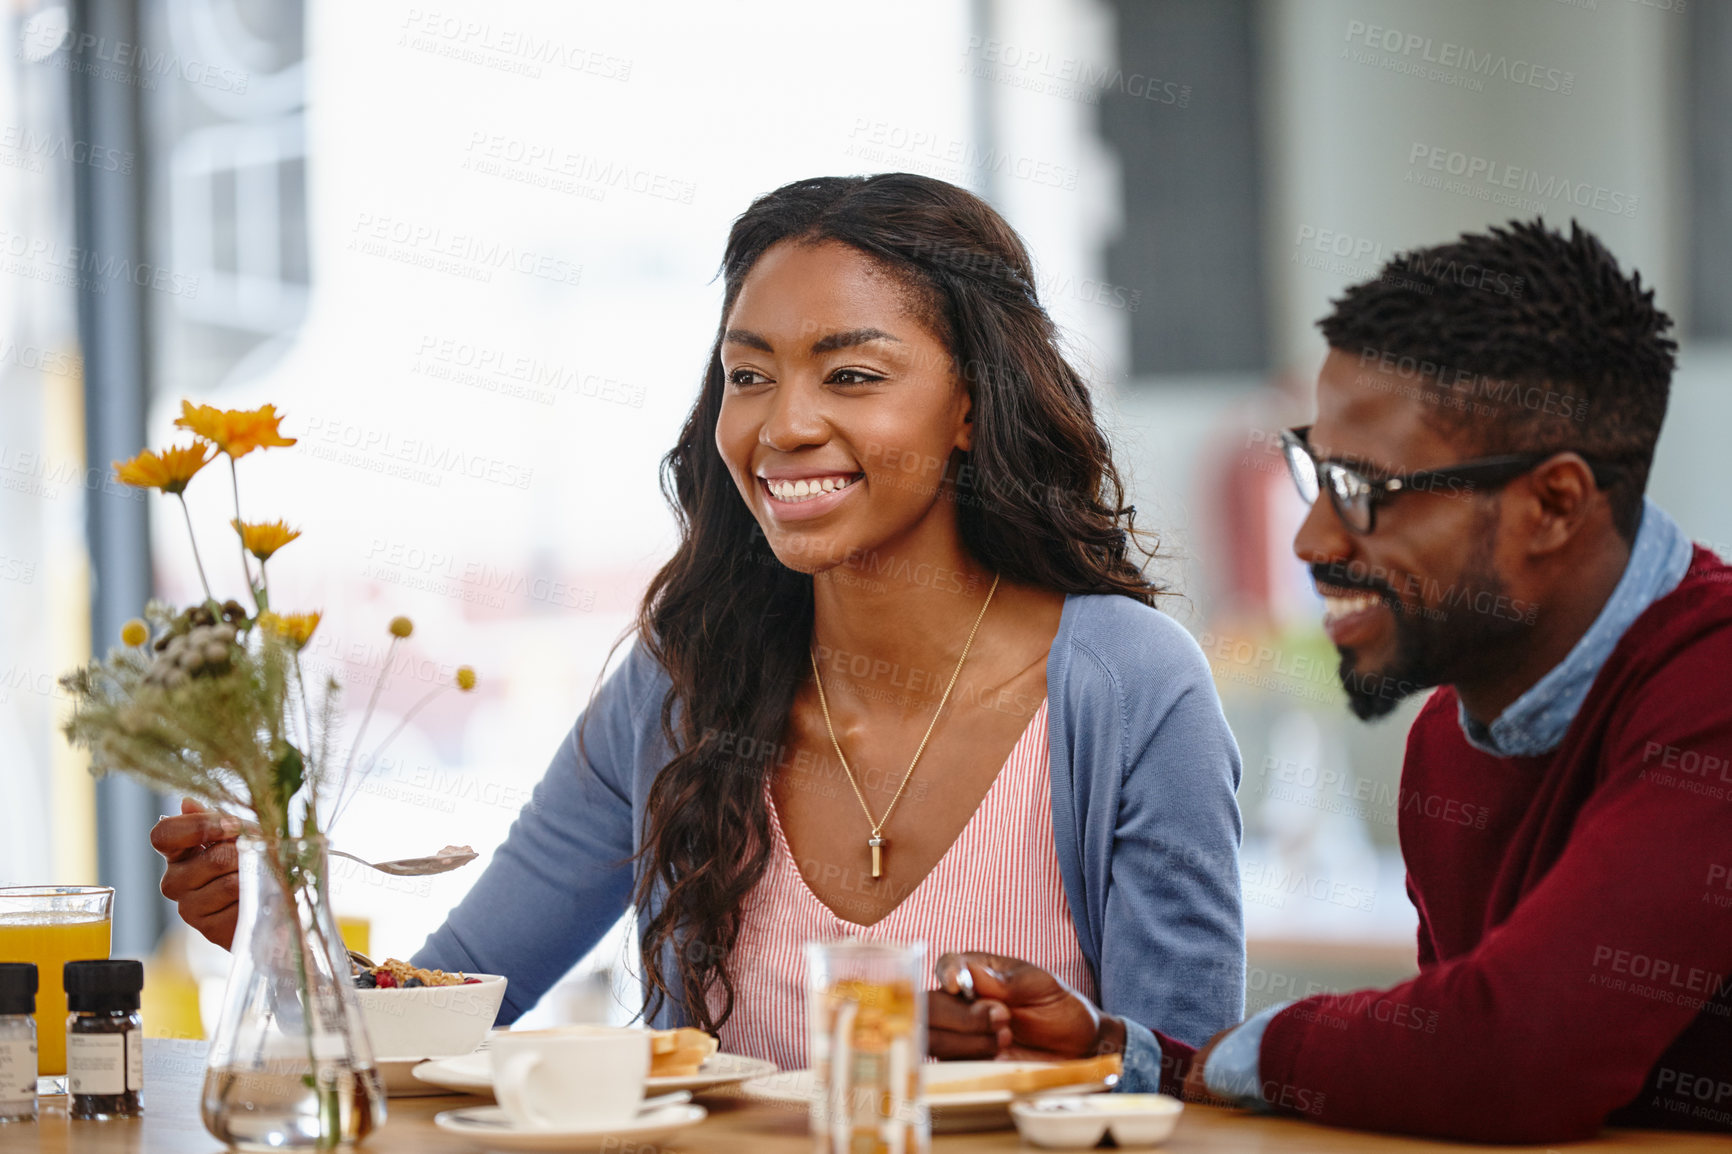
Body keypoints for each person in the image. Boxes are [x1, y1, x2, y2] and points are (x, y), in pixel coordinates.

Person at [150, 172, 1246, 1069]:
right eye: (747, 374)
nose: (785, 423)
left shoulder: (1128, 685)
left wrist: (1038, 1044)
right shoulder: (682, 684)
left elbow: (1194, 1079)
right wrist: (286, 933)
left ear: (971, 404)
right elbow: (451, 1013)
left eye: (852, 373)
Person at [931, 219, 1732, 1142]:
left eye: (1361, 491)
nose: (1312, 542)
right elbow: (1455, 1074)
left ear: (1552, 505)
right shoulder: (1451, 737)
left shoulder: (1710, 690)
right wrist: (1129, 1054)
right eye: (1313, 474)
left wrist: (1228, 1059)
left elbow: (1512, 1057)